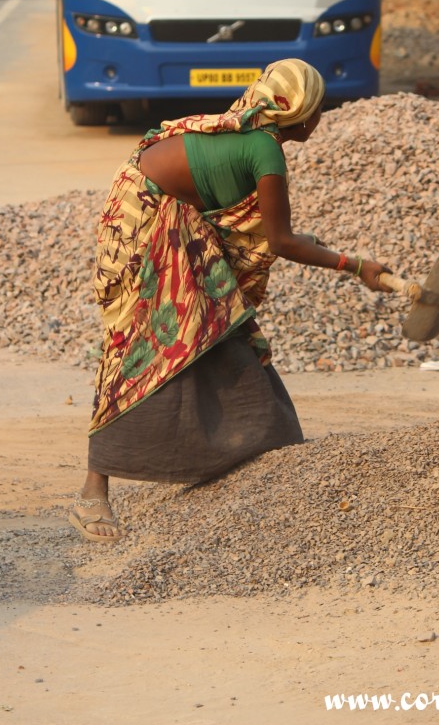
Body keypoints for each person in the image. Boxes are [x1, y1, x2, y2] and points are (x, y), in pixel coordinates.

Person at [69, 58, 392, 542]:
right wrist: (355, 265)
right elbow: (279, 242)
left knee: (216, 319)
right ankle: (93, 492)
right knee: (141, 340)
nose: (322, 120)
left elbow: (259, 231)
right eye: (320, 110)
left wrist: (307, 243)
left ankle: (250, 453)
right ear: (299, 114)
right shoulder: (266, 152)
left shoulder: (256, 136)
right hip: (142, 216)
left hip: (174, 212)